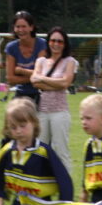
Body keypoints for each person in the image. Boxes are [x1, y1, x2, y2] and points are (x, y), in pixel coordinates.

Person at [31, 26, 77, 175]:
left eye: (60, 41)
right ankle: (41, 183)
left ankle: (66, 187)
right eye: (53, 40)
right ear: (48, 42)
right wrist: (56, 83)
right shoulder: (41, 61)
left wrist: (43, 79)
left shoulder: (70, 61)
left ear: (65, 44)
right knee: (40, 149)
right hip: (42, 112)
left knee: (61, 150)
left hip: (60, 112)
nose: (56, 44)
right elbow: (34, 82)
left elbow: (65, 83)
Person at [4, 10, 46, 105]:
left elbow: (42, 74)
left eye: (24, 26)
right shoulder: (11, 48)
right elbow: (10, 78)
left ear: (31, 27)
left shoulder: (41, 44)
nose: (20, 30)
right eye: (17, 27)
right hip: (21, 95)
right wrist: (35, 77)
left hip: (40, 94)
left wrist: (20, 71)